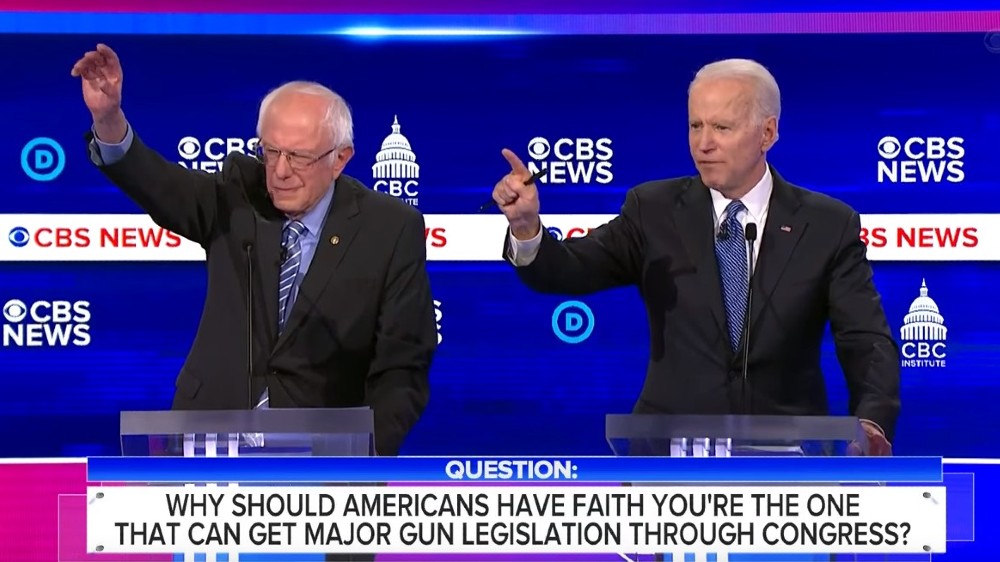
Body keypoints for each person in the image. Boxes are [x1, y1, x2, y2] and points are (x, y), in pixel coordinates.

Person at [492, 58, 899, 455]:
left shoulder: (826, 224)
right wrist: (527, 229)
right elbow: (568, 269)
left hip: (788, 459)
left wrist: (871, 423)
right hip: (668, 459)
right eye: (695, 126)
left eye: (722, 127)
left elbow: (865, 339)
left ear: (767, 133)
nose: (703, 144)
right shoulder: (654, 210)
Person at [71, 44, 437, 458]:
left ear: (340, 159)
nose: (279, 171)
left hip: (322, 458)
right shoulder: (239, 193)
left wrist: (367, 457)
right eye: (270, 151)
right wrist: (108, 119)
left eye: (298, 157)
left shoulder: (387, 228)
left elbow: (403, 364)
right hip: (205, 442)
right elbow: (159, 185)